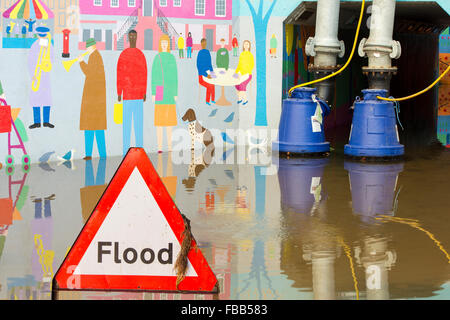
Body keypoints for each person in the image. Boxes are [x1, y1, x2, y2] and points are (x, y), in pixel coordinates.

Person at [117, 30, 147, 156]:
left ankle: (139, 150)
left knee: (138, 125)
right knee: (127, 125)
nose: (133, 37)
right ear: (128, 38)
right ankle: (125, 151)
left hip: (139, 96)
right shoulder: (123, 55)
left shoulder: (140, 55)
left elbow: (144, 73)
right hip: (127, 96)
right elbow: (120, 74)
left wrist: (144, 91)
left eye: (134, 35)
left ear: (137, 37)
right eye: (131, 36)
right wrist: (119, 92)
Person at [77, 38, 107, 159]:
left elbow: (90, 73)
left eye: (88, 48)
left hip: (94, 99)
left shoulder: (95, 57)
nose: (87, 50)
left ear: (92, 47)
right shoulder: (95, 56)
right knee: (93, 127)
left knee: (94, 128)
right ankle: (91, 154)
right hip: (94, 98)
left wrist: (81, 62)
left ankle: (100, 154)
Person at [151, 34, 178, 153]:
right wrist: (153, 92)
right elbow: (153, 76)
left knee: (169, 121)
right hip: (159, 91)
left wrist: (175, 92)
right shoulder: (157, 58)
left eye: (166, 43)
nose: (164, 45)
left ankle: (170, 146)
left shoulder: (172, 58)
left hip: (170, 91)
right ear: (160, 45)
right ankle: (160, 147)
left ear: (168, 45)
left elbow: (175, 76)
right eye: (162, 43)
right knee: (159, 121)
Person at [28, 27, 54, 129]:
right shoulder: (34, 46)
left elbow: (52, 59)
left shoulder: (49, 46)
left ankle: (46, 121)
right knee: (35, 97)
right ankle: (37, 122)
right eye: (41, 36)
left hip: (45, 75)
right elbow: (30, 61)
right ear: (38, 35)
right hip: (36, 74)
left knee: (46, 97)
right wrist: (32, 74)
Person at [234, 40, 255, 106]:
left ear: (249, 46)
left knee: (242, 85)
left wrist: (246, 72)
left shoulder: (250, 55)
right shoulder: (242, 54)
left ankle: (242, 99)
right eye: (245, 44)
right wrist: (236, 72)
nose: (246, 45)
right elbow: (239, 65)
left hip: (248, 74)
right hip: (241, 74)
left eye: (247, 44)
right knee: (236, 85)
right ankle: (243, 99)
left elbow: (252, 65)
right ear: (243, 45)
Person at [196, 38, 216, 106]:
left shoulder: (207, 52)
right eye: (203, 43)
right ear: (201, 44)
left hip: (208, 74)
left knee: (213, 84)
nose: (204, 44)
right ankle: (207, 101)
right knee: (209, 85)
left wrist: (212, 74)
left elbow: (210, 64)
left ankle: (213, 99)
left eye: (205, 43)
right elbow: (199, 66)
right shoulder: (200, 53)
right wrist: (206, 75)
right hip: (201, 76)